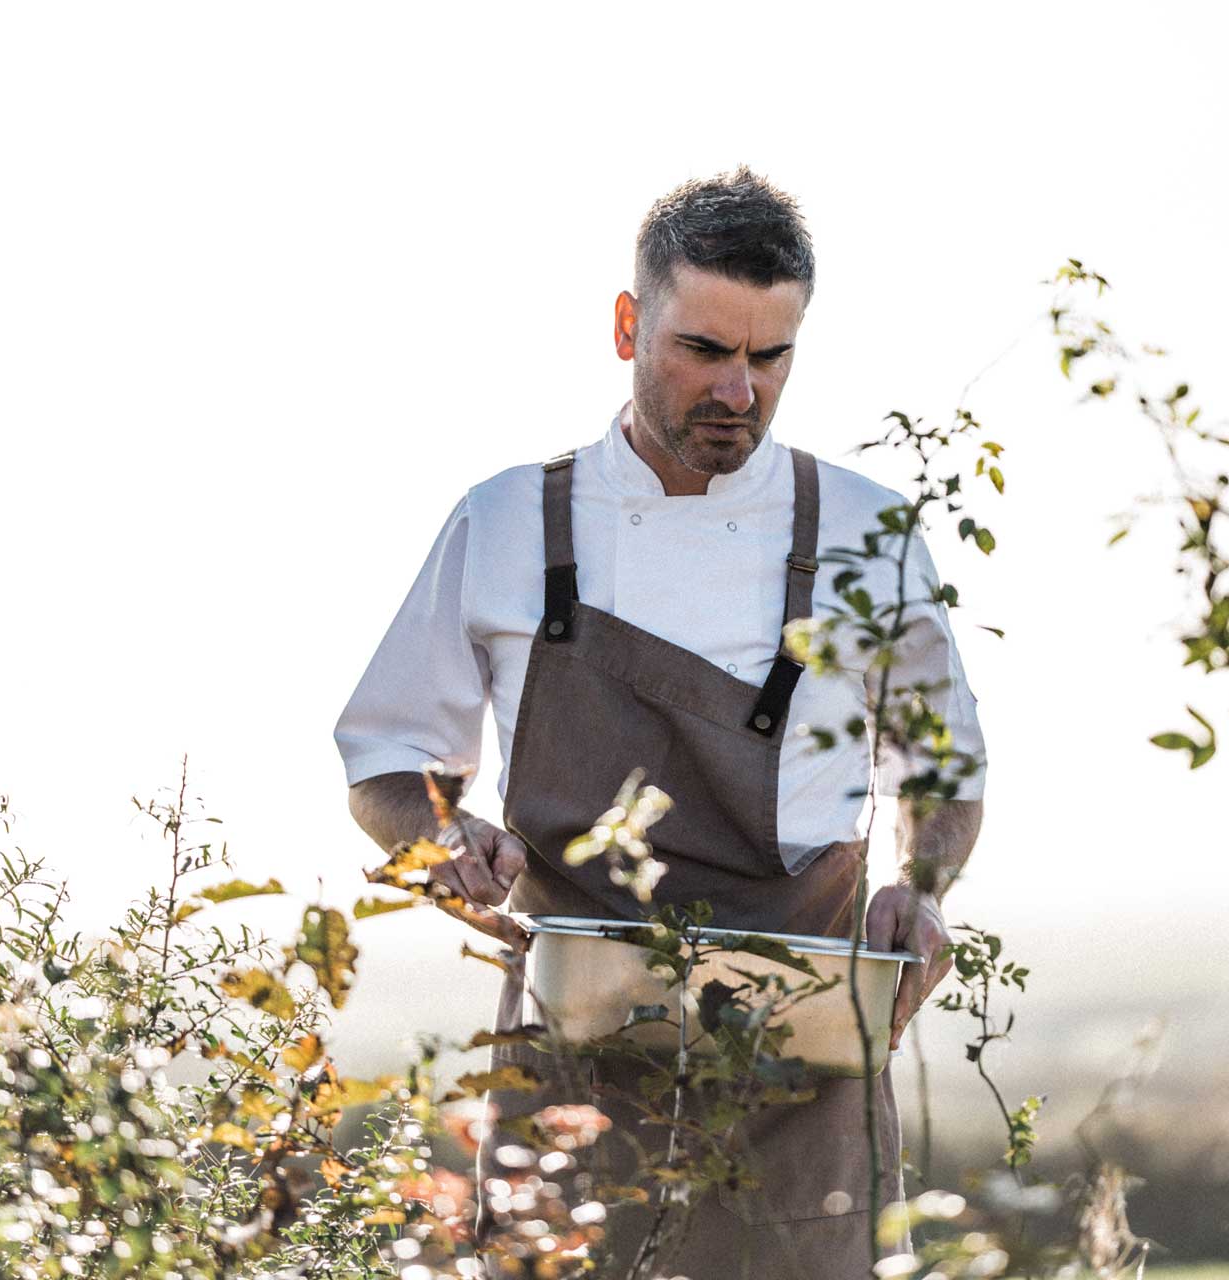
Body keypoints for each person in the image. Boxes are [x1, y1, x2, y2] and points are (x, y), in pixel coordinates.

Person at [336, 164, 987, 1279]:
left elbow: (943, 765)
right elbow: (389, 757)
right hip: (573, 1066)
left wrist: (918, 888)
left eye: (768, 357)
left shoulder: (867, 534)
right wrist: (444, 833)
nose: (737, 390)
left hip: (806, 1068)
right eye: (704, 351)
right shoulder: (506, 521)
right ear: (630, 324)